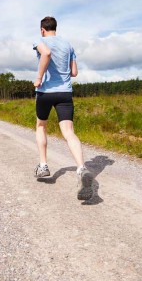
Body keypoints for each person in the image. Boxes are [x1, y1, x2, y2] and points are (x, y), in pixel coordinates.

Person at [33, 16, 94, 200]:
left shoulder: (40, 41)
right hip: (65, 93)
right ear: (55, 28)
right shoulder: (68, 45)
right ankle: (82, 168)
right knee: (68, 132)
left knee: (41, 125)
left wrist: (38, 78)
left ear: (42, 29)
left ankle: (43, 166)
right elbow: (74, 72)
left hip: (45, 92)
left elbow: (46, 54)